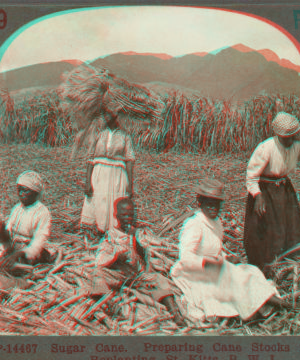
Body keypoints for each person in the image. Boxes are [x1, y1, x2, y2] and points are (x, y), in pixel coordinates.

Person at [171, 178, 290, 324]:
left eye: (216, 203)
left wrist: (226, 258)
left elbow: (215, 250)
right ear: (200, 202)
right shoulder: (194, 224)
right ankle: (278, 304)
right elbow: (186, 258)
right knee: (235, 276)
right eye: (209, 203)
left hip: (214, 267)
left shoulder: (216, 223)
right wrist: (212, 263)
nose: (213, 207)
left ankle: (266, 304)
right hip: (194, 271)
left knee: (251, 271)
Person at [89, 197, 186, 327]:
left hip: (137, 276)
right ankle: (103, 308)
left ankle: (175, 314)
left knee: (158, 279)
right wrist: (116, 256)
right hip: (119, 274)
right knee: (98, 274)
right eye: (124, 215)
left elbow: (145, 257)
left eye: (130, 215)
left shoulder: (137, 233)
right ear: (116, 215)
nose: (127, 218)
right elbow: (100, 260)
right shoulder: (111, 235)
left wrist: (135, 240)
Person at [244, 112, 300, 271]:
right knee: (267, 227)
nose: (291, 140)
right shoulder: (266, 148)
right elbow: (251, 175)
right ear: (279, 135)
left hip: (284, 189)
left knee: (292, 223)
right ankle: (266, 265)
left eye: (293, 136)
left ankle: (288, 259)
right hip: (265, 190)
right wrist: (257, 196)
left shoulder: (296, 146)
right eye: (287, 137)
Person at [80, 109, 135, 238]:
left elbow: (130, 160)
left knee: (114, 203)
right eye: (104, 113)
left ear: (116, 115)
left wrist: (130, 184)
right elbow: (90, 158)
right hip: (99, 174)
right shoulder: (98, 134)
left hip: (117, 175)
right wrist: (87, 181)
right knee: (99, 202)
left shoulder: (125, 136)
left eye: (109, 113)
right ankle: (98, 233)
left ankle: (113, 235)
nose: (105, 116)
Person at [0, 170, 53, 271]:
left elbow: (38, 242)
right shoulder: (17, 208)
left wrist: (18, 254)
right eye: (19, 189)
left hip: (29, 251)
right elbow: (9, 231)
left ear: (35, 192)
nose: (21, 193)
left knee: (12, 268)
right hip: (13, 247)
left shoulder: (42, 212)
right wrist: (7, 248)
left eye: (25, 190)